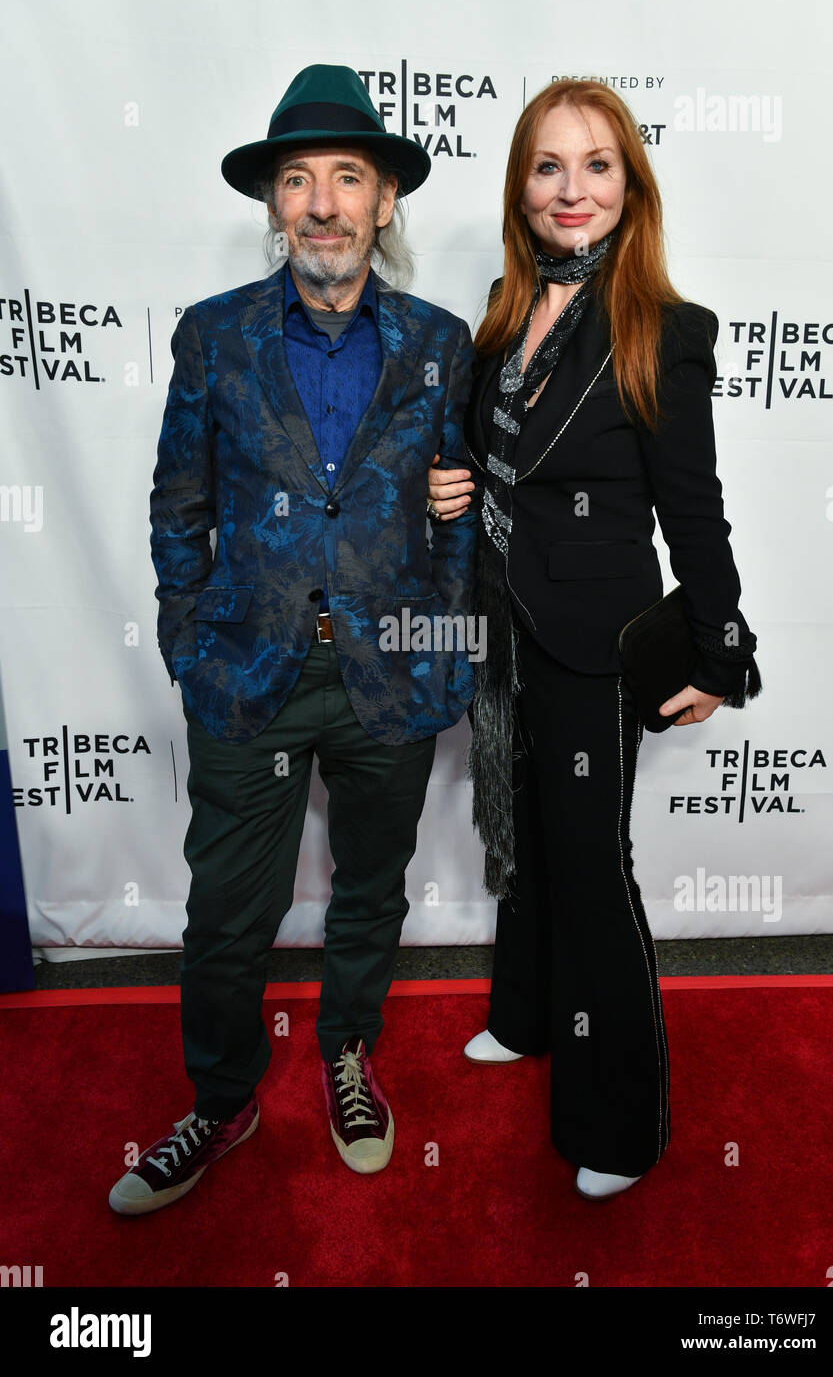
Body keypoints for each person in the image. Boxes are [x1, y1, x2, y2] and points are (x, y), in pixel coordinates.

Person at [109, 64, 477, 1215]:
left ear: (382, 203)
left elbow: (455, 503)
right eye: (298, 181)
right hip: (247, 672)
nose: (322, 203)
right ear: (272, 205)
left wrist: (449, 647)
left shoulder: (436, 340)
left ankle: (348, 1057)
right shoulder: (213, 339)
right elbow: (178, 507)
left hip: (391, 670)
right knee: (226, 912)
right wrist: (189, 643)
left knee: (371, 888)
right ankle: (221, 1100)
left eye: (347, 179)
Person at [427, 79, 762, 1200]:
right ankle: (525, 1019)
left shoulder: (664, 332)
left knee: (587, 865)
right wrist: (456, 485)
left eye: (596, 165)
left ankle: (620, 1125)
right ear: (520, 189)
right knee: (523, 844)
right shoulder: (499, 307)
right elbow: (499, 456)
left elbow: (692, 507)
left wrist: (717, 651)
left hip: (592, 637)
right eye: (546, 166)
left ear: (630, 185)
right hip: (503, 630)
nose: (570, 189)